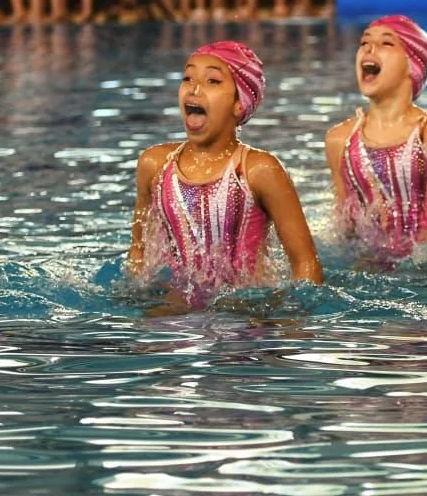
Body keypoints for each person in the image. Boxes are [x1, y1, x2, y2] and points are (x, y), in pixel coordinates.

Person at [128, 41, 323, 306]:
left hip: (246, 313)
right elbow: (140, 250)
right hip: (173, 311)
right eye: (187, 78)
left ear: (239, 104)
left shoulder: (259, 170)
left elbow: (305, 264)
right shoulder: (155, 165)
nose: (194, 88)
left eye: (212, 81)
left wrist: (292, 326)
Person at [325, 16, 427, 261]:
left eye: (386, 44)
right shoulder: (339, 140)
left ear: (412, 64)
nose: (370, 49)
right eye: (364, 43)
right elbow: (343, 227)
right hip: (367, 267)